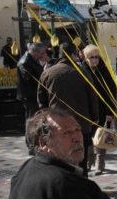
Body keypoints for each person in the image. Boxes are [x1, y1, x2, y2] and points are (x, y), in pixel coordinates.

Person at [38, 42, 98, 174]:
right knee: (80, 159)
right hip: (81, 124)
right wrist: (94, 120)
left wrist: (47, 121)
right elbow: (93, 100)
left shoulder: (47, 73)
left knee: (60, 158)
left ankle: (64, 184)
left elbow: (42, 102)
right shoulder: (83, 73)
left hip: (57, 125)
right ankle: (82, 186)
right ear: (73, 54)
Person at [83, 44, 117, 175]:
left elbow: (112, 92)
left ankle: (100, 164)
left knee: (101, 136)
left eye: (97, 57)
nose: (95, 60)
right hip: (87, 110)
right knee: (88, 136)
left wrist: (110, 112)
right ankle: (88, 162)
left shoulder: (104, 70)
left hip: (102, 109)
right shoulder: (82, 70)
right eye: (91, 57)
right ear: (85, 58)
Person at [17, 42, 47, 121]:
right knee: (31, 117)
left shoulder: (32, 60)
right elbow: (28, 79)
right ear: (35, 52)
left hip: (33, 94)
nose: (41, 55)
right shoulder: (25, 62)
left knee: (35, 117)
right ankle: (30, 133)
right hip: (30, 95)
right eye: (41, 53)